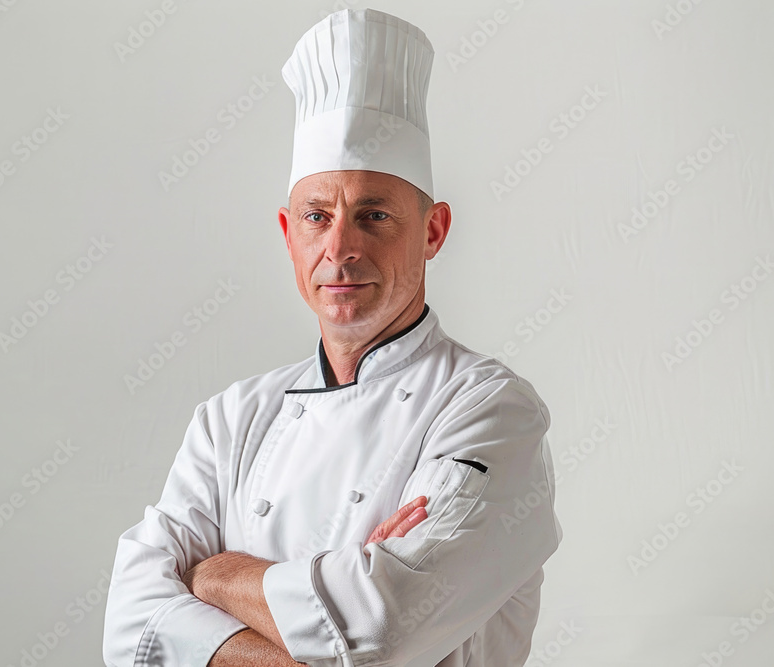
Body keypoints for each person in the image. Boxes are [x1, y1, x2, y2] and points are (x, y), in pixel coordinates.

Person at [102, 8, 562, 666]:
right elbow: (129, 626)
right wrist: (332, 598)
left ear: (433, 231)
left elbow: (386, 626)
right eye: (318, 216)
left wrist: (214, 577)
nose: (340, 248)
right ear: (290, 234)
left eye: (374, 215)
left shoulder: (492, 412)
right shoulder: (232, 421)